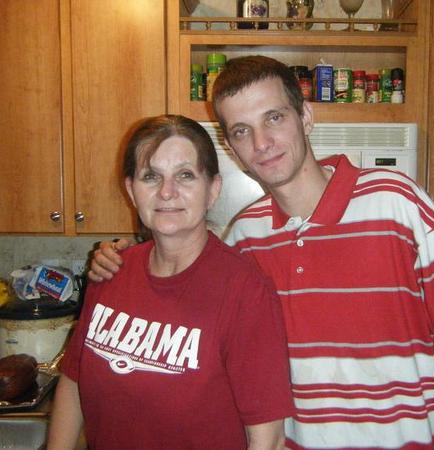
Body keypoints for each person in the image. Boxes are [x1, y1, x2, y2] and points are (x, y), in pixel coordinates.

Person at [88, 57, 434, 450]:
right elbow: (178, 281)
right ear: (232, 149)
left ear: (306, 117)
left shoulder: (398, 205)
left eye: (274, 118)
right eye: (242, 131)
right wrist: (122, 259)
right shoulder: (246, 236)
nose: (262, 142)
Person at [47, 115, 294, 450]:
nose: (166, 192)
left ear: (213, 190)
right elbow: (74, 380)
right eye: (151, 176)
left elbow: (268, 440)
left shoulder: (245, 292)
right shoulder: (112, 272)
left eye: (185, 175)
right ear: (131, 190)